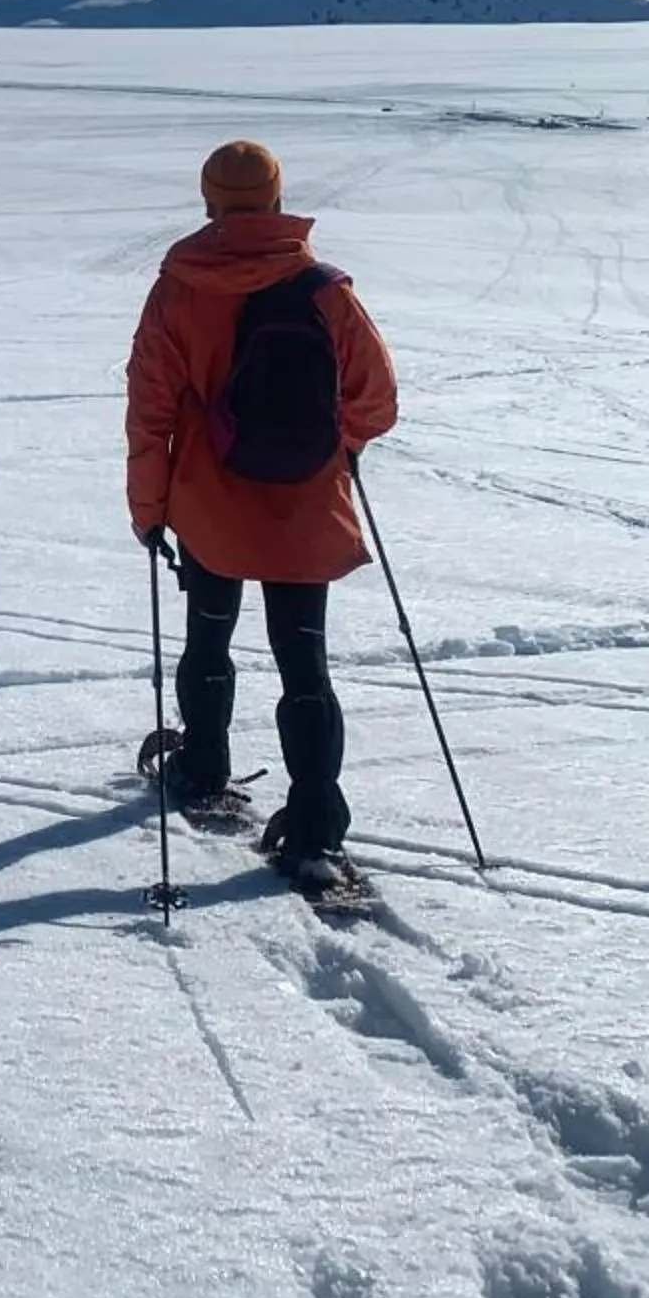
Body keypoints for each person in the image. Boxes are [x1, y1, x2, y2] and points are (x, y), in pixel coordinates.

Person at [125, 141, 398, 890]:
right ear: (278, 199)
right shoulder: (324, 290)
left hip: (210, 508)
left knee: (208, 641)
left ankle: (203, 761)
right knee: (304, 666)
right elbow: (376, 400)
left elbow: (150, 411)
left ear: (209, 202)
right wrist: (327, 449)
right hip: (305, 513)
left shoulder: (177, 289)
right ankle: (314, 828)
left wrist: (150, 509)